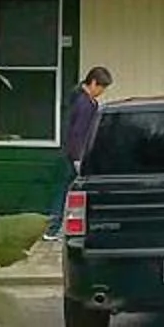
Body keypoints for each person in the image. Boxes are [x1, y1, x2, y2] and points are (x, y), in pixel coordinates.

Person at [47, 66, 114, 240]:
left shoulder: (85, 101)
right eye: (101, 87)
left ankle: (56, 226)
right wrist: (77, 158)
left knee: (66, 190)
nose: (102, 92)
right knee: (65, 190)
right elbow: (77, 133)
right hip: (75, 155)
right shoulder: (83, 104)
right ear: (93, 83)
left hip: (75, 154)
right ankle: (53, 227)